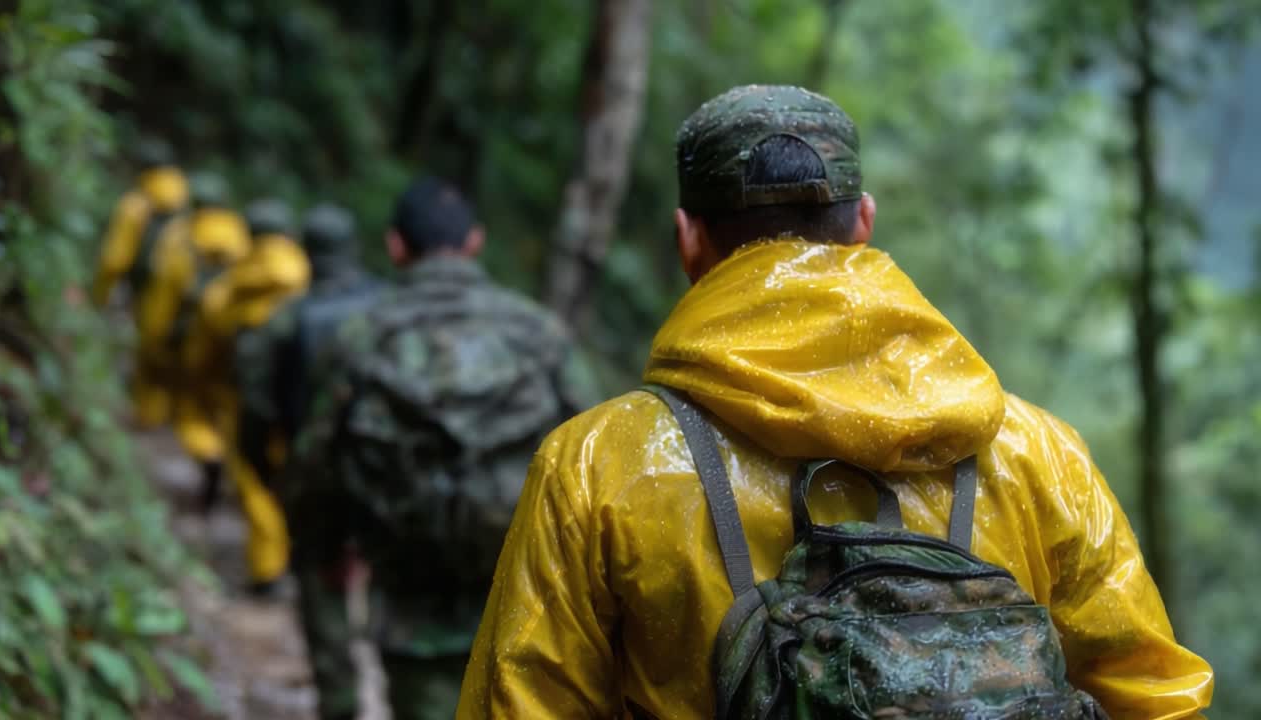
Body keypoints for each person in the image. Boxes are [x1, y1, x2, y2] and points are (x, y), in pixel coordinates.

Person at [457, 86, 1214, 719]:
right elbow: (1160, 696)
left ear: (688, 240)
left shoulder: (595, 465)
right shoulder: (1035, 452)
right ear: (864, 223)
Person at [288, 178, 596, 720]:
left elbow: (316, 463)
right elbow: (595, 455)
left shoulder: (361, 338)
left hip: (410, 600)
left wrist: (327, 549)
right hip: (523, 600)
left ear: (396, 246)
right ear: (475, 242)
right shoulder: (539, 334)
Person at [236, 203, 382, 720]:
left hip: (317, 482)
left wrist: (273, 478)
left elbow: (255, 406)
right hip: (390, 482)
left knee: (326, 616)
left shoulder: (292, 317)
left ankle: (341, 706)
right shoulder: (390, 305)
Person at [183, 197, 310, 591]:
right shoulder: (308, 275)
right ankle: (301, 557)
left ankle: (268, 570)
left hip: (245, 400)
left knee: (255, 482)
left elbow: (205, 348)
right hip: (302, 398)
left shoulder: (228, 289)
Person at [139, 173, 251, 509]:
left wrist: (154, 342)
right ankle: (224, 460)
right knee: (223, 409)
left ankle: (207, 453)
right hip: (233, 342)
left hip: (193, 341)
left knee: (190, 411)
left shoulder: (182, 238)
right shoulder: (241, 238)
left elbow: (163, 297)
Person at [92, 138, 190, 426]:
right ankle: (165, 415)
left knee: (146, 349)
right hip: (180, 288)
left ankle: (146, 415)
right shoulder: (185, 202)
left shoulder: (137, 204)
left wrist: (101, 293)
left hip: (148, 288)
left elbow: (115, 258)